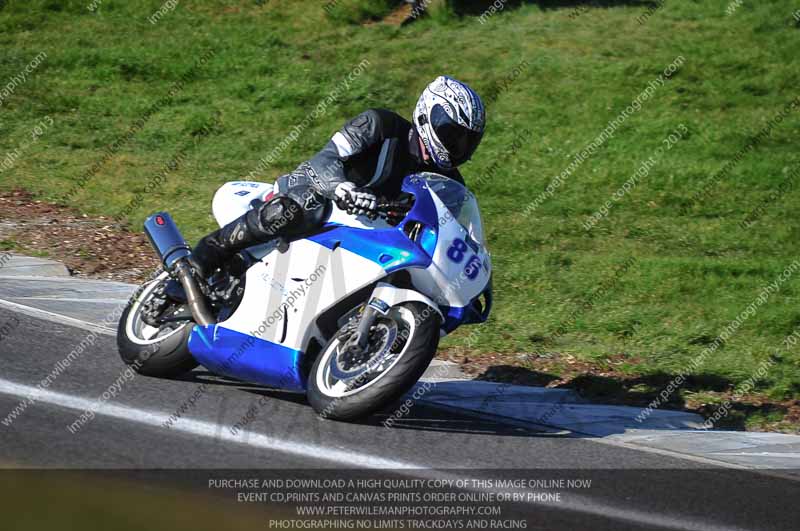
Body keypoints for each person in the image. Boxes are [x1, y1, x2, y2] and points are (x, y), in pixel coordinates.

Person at [189, 75, 486, 277]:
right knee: (302, 205)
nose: (458, 147)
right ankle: (207, 254)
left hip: (368, 238)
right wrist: (342, 188)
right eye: (452, 135)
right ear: (426, 116)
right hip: (317, 197)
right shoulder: (379, 124)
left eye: (466, 141)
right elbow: (325, 158)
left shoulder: (450, 186)